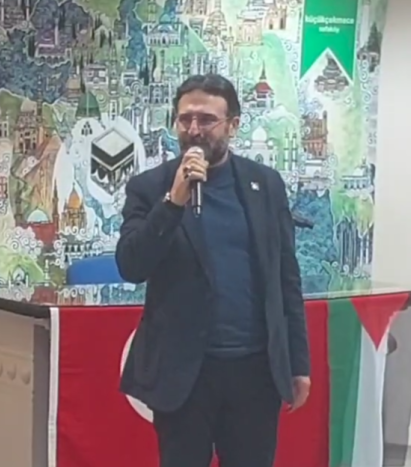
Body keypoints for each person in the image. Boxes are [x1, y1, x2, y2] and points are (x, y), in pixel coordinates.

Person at [115, 74, 310, 467]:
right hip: (184, 375)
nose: (194, 130)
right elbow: (131, 265)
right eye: (185, 119)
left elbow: (285, 278)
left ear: (233, 125)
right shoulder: (150, 188)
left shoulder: (265, 185)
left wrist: (298, 362)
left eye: (206, 120)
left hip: (255, 372)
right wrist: (173, 202)